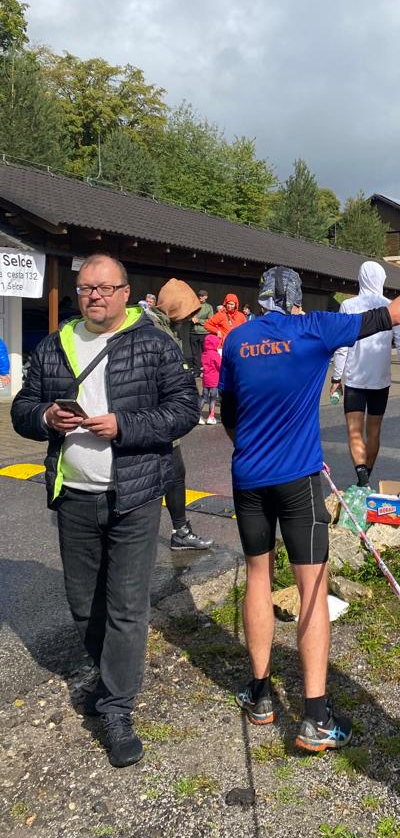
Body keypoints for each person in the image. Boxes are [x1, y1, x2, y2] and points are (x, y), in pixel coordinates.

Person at [219, 231, 400, 752]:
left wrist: (252, 449)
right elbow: (393, 314)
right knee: (312, 589)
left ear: (260, 299)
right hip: (298, 479)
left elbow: (229, 416)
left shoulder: (237, 340)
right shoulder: (314, 329)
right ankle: (315, 716)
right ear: (297, 301)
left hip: (248, 478)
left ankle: (260, 696)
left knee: (258, 578)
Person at [10, 254, 198, 768]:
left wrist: (124, 425)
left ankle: (116, 707)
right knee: (82, 602)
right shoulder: (55, 345)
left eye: (105, 287)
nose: (95, 295)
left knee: (126, 605)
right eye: (86, 288)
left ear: (124, 292)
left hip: (134, 495)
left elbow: (184, 410)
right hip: (73, 494)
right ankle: (109, 675)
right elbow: (22, 409)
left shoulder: (154, 343)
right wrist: (46, 416)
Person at [144, 279, 214, 551]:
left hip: (166, 416)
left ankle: (180, 531)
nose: (188, 318)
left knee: (175, 472)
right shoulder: (151, 329)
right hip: (151, 417)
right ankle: (144, 538)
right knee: (155, 477)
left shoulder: (167, 326)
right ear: (174, 306)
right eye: (186, 311)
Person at [329, 261, 400, 487]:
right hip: (381, 381)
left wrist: (336, 378)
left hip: (354, 379)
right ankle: (366, 479)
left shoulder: (348, 305)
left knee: (354, 431)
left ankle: (362, 481)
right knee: (374, 431)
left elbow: (342, 346)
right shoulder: (391, 306)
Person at [190, 289, 213, 377]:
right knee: (195, 353)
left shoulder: (209, 307)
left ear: (206, 297)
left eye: (202, 296)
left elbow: (210, 320)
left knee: (205, 353)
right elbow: (186, 316)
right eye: (199, 295)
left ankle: (205, 370)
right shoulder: (193, 305)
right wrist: (191, 319)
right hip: (193, 332)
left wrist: (198, 320)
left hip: (204, 333)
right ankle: (196, 370)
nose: (200, 297)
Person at [200, 334, 221, 425]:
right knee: (213, 398)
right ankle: (211, 417)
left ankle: (198, 415)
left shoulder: (204, 354)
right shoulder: (215, 355)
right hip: (214, 379)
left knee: (204, 397)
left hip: (206, 379)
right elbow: (220, 366)